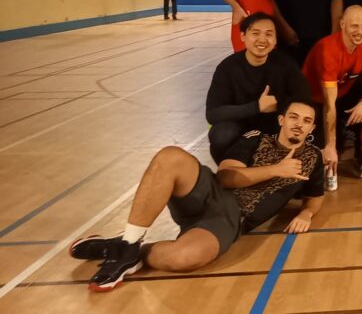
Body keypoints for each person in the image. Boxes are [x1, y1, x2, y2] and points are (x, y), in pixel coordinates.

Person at [70, 100, 324, 292]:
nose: (298, 124)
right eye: (293, 117)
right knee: (170, 157)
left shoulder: (313, 157)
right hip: (211, 192)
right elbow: (225, 178)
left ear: (312, 127)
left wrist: (307, 213)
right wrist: (275, 170)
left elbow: (314, 196)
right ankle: (130, 241)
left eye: (306, 120)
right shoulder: (256, 138)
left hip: (231, 219)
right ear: (281, 119)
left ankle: (125, 247)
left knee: (184, 258)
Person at [205, 12, 311, 162]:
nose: (262, 39)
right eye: (255, 33)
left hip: (275, 126)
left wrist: (281, 107)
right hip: (240, 127)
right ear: (243, 36)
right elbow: (213, 114)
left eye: (269, 34)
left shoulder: (286, 64)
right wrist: (257, 107)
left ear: (275, 40)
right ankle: (230, 170)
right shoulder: (227, 67)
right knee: (222, 134)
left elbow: (304, 100)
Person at [303, 7, 362, 183]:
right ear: (342, 24)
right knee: (326, 156)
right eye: (354, 26)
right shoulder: (327, 49)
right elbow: (329, 105)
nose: (360, 32)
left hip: (342, 95)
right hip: (314, 101)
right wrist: (330, 145)